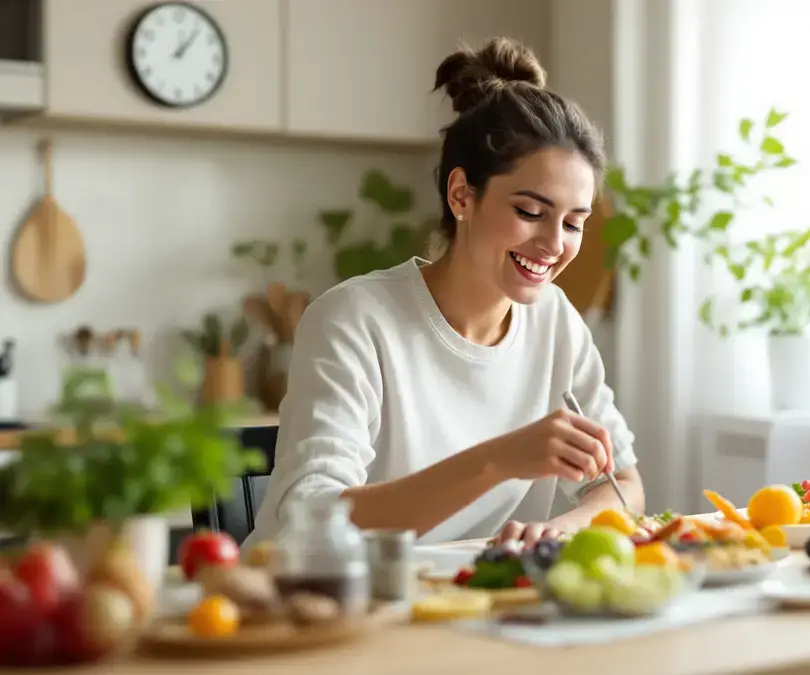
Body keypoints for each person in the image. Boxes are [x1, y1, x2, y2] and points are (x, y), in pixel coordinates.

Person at [244, 37, 643, 549]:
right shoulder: (353, 319)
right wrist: (500, 459)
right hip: (314, 601)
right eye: (529, 212)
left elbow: (623, 487)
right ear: (462, 195)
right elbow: (315, 517)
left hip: (469, 604)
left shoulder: (555, 321)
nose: (553, 244)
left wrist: (559, 531)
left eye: (573, 223)